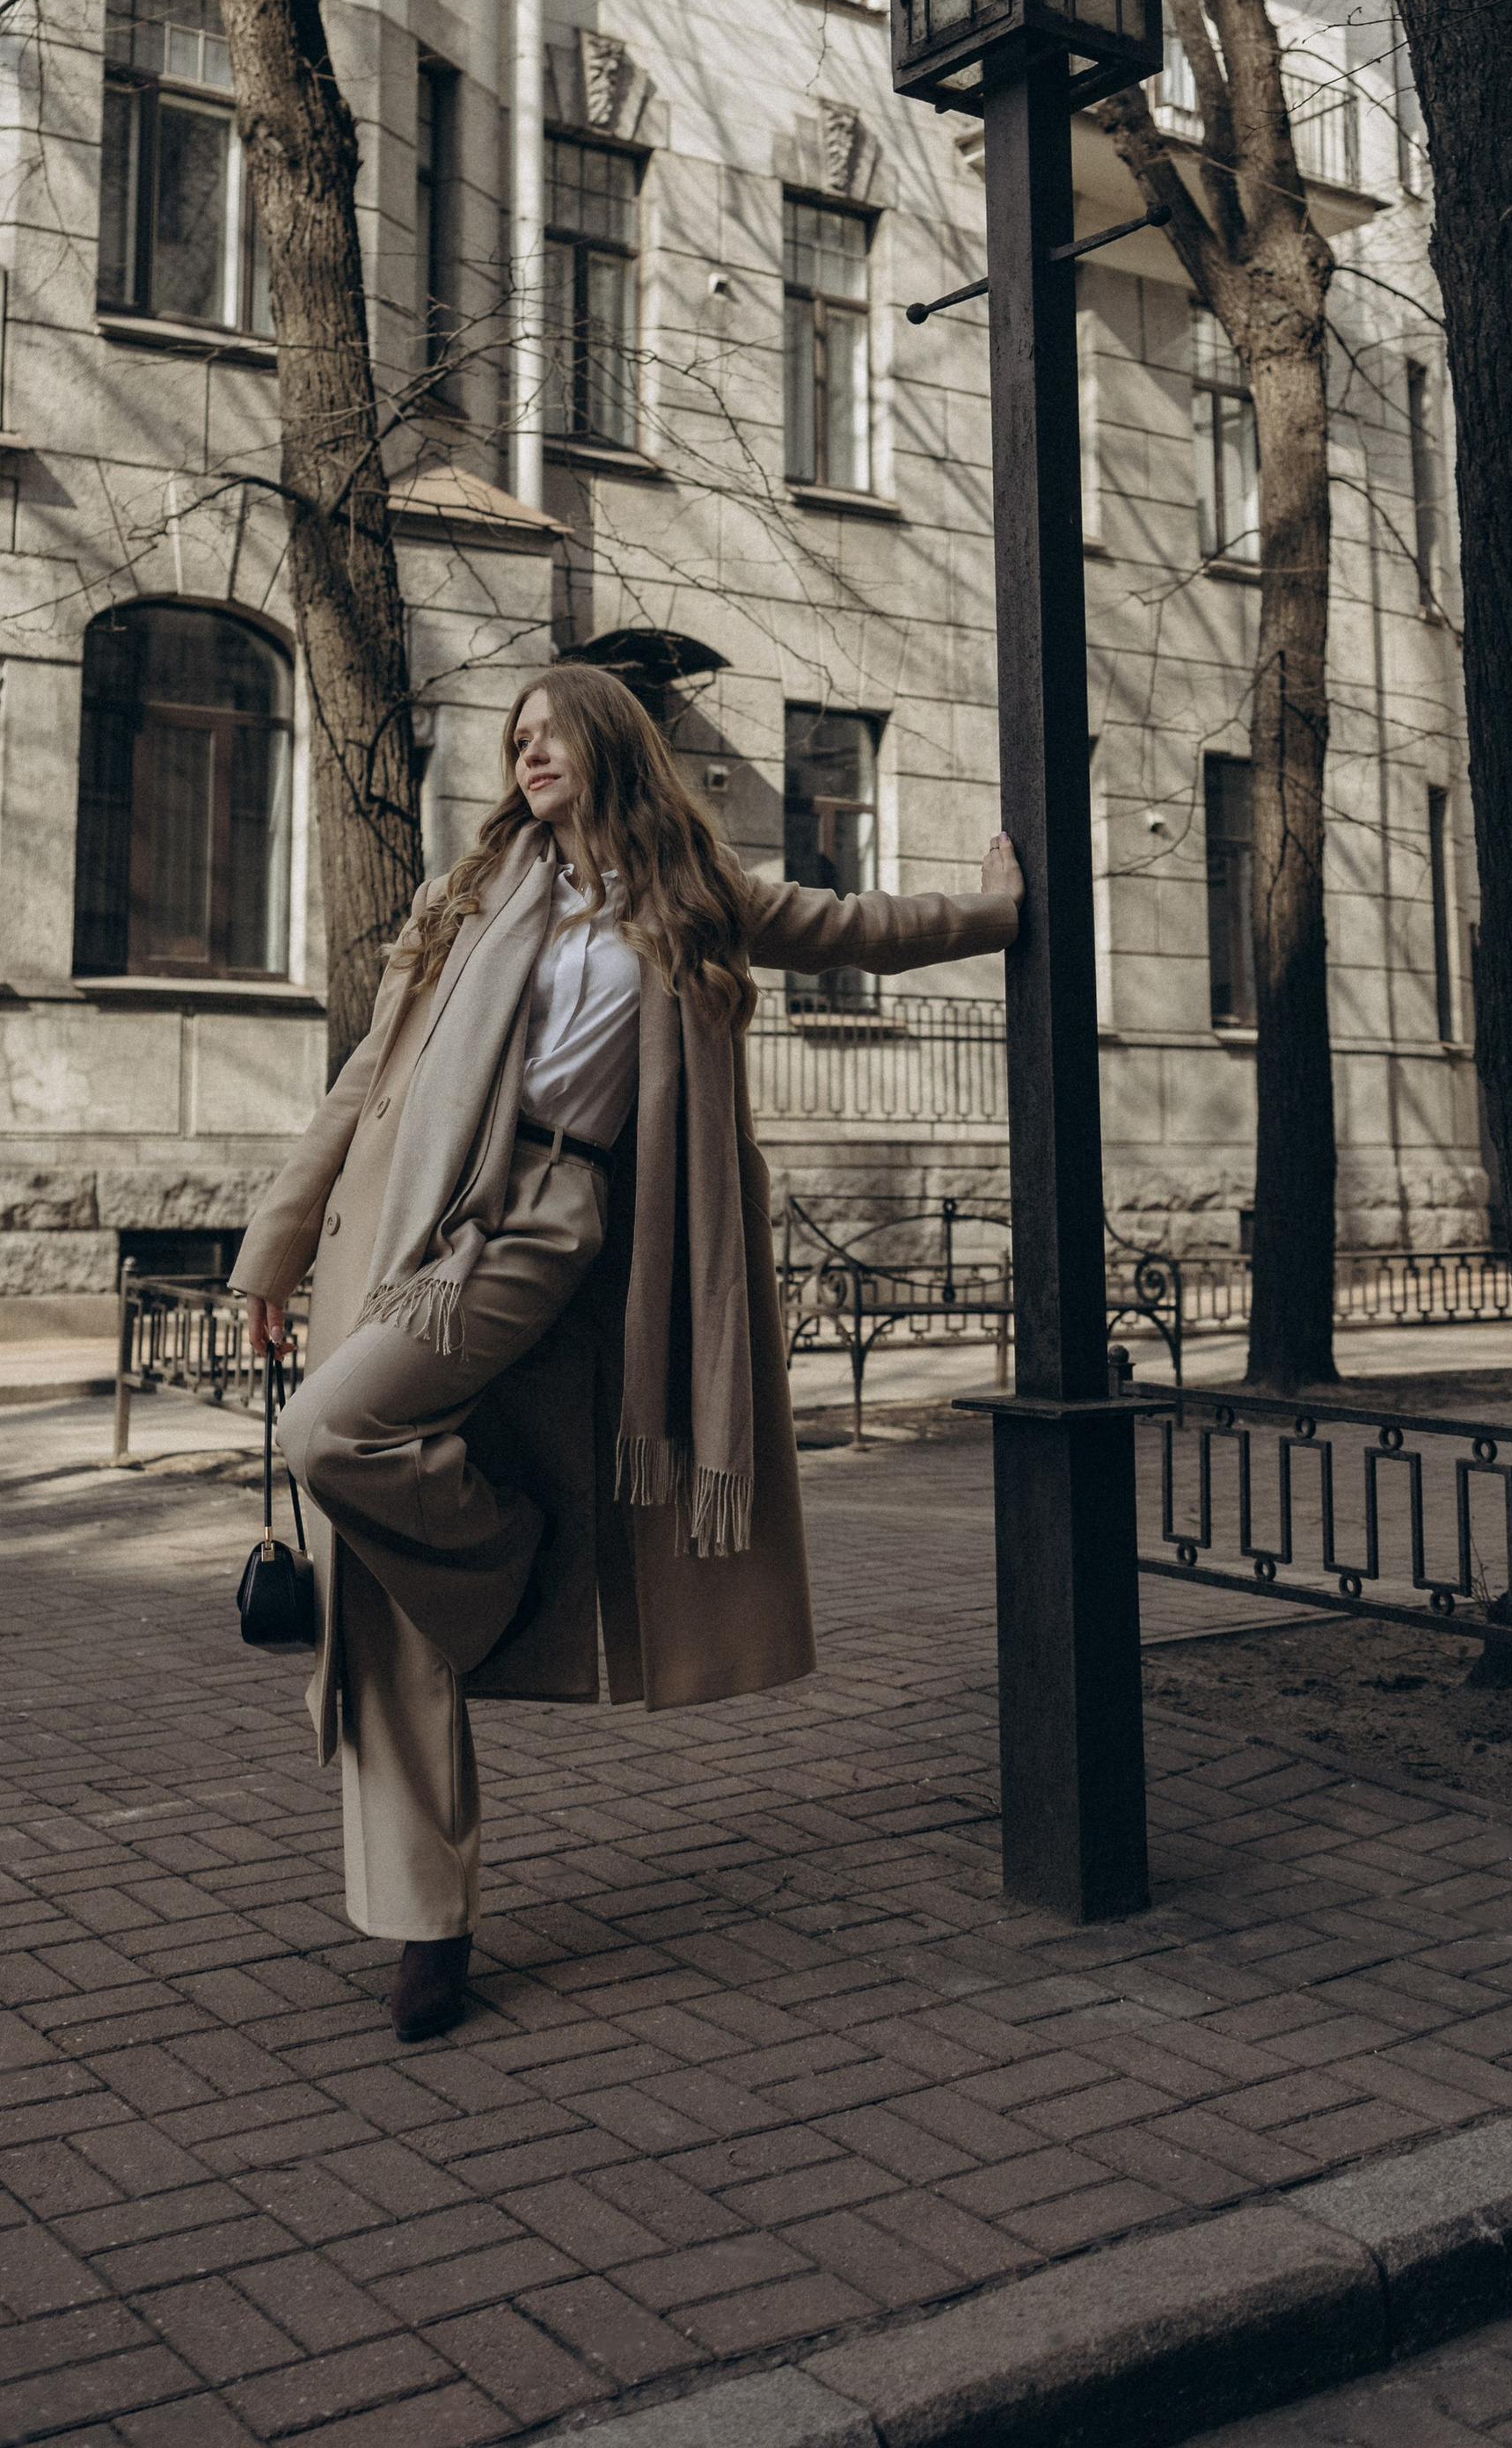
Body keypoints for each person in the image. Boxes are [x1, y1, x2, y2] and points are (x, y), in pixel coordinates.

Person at [232, 662, 1025, 2041]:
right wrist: (273, 1245)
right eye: (515, 739)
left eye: (551, 732)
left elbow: (853, 926)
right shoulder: (468, 895)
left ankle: (507, 1547)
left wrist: (998, 911)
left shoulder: (692, 900)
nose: (529, 753)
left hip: (541, 1220)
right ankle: (430, 1924)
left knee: (326, 1435)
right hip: (405, 1217)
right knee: (375, 1585)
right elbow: (366, 1076)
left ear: (607, 743)